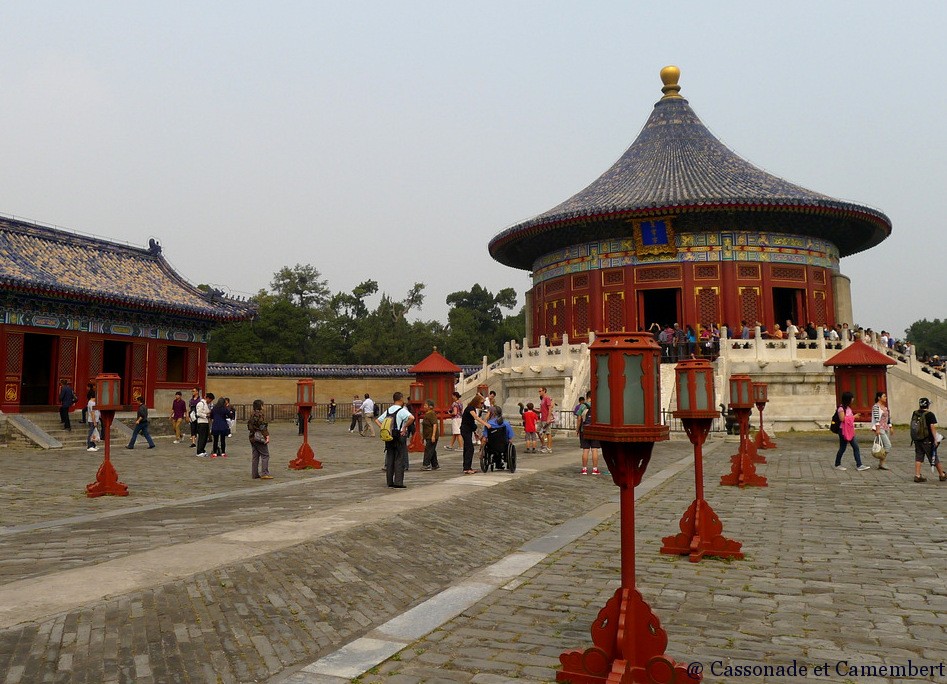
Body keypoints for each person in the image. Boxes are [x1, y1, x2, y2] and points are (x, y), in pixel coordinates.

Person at [377, 392, 414, 488]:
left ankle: (389, 481)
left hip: (389, 436)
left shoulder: (389, 410)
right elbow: (411, 418)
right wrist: (405, 427)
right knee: (399, 458)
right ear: (401, 399)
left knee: (390, 458)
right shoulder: (401, 410)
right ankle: (398, 482)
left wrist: (383, 428)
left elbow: (377, 420)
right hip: (399, 436)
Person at [912, 397, 946, 483]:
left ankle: (917, 475)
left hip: (917, 439)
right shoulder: (930, 414)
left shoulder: (915, 413)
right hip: (927, 439)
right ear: (927, 405)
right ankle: (942, 474)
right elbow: (932, 427)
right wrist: (935, 439)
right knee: (933, 457)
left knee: (919, 457)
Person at [834, 391, 868, 471]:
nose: (853, 399)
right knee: (843, 447)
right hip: (843, 430)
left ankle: (859, 465)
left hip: (850, 430)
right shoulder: (841, 408)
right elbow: (842, 419)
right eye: (851, 398)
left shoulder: (848, 408)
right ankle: (837, 464)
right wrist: (854, 417)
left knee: (855, 447)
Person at [460, 394, 491, 474]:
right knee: (470, 448)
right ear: (476, 402)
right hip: (465, 430)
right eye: (481, 403)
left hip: (469, 429)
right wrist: (485, 424)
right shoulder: (470, 408)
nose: (482, 405)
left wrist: (476, 433)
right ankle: (467, 468)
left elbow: (471, 422)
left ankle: (467, 467)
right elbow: (476, 418)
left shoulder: (472, 408)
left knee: (467, 448)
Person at [247, 399, 272, 479]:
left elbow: (249, 425)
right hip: (259, 436)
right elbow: (262, 426)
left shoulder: (252, 414)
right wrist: (267, 436)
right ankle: (264, 473)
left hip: (252, 436)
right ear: (260, 406)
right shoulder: (260, 415)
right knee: (265, 455)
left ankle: (254, 474)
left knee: (255, 456)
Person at [576, 397, 600, 475]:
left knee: (585, 450)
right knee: (594, 450)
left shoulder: (582, 406)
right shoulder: (598, 406)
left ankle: (584, 469)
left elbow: (579, 419)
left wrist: (577, 429)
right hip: (595, 430)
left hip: (584, 430)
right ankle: (595, 469)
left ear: (587, 397)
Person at [871, 391, 892, 471]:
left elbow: (888, 418)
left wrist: (890, 426)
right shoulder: (876, 407)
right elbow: (876, 419)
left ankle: (881, 463)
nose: (885, 398)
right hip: (880, 428)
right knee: (888, 445)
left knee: (884, 445)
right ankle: (882, 462)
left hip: (886, 427)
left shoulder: (885, 407)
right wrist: (877, 429)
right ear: (879, 398)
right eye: (884, 396)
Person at [421, 399, 439, 471]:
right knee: (432, 450)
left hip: (431, 435)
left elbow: (434, 424)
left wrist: (433, 435)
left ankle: (426, 464)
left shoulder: (431, 414)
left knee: (428, 450)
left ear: (430, 406)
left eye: (426, 405)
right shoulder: (427, 414)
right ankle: (435, 464)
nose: (424, 406)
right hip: (427, 435)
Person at [195, 392, 212, 457]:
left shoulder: (206, 404)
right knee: (202, 437)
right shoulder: (200, 403)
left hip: (206, 422)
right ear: (207, 398)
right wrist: (206, 415)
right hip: (201, 422)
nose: (210, 401)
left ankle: (202, 450)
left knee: (205, 437)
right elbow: (198, 413)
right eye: (210, 400)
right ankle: (199, 451)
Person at [538, 387, 555, 453]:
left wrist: (548, 418)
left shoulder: (547, 398)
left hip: (546, 418)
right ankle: (543, 445)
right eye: (538, 391)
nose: (539, 392)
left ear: (544, 391)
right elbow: (541, 410)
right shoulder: (542, 399)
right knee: (538, 431)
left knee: (548, 433)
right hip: (542, 418)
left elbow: (550, 408)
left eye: (540, 391)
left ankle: (549, 448)